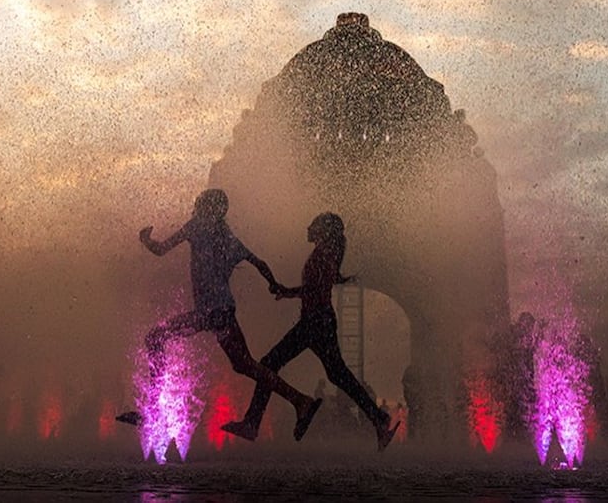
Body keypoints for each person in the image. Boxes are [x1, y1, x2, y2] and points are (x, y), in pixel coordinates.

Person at [119, 189, 321, 440]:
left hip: (211, 312)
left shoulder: (196, 226)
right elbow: (258, 262)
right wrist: (274, 285)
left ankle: (152, 411)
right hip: (224, 310)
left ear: (204, 206)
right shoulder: (229, 237)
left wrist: (145, 239)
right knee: (244, 364)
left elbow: (160, 249)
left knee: (156, 338)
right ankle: (300, 401)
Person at [222, 212, 400, 451]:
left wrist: (290, 292)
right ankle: (379, 419)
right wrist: (289, 292)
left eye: (314, 224)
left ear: (323, 231)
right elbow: (319, 286)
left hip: (315, 322)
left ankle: (253, 422)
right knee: (338, 375)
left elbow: (316, 288)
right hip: (320, 321)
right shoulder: (327, 254)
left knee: (269, 363)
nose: (308, 227)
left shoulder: (323, 254)